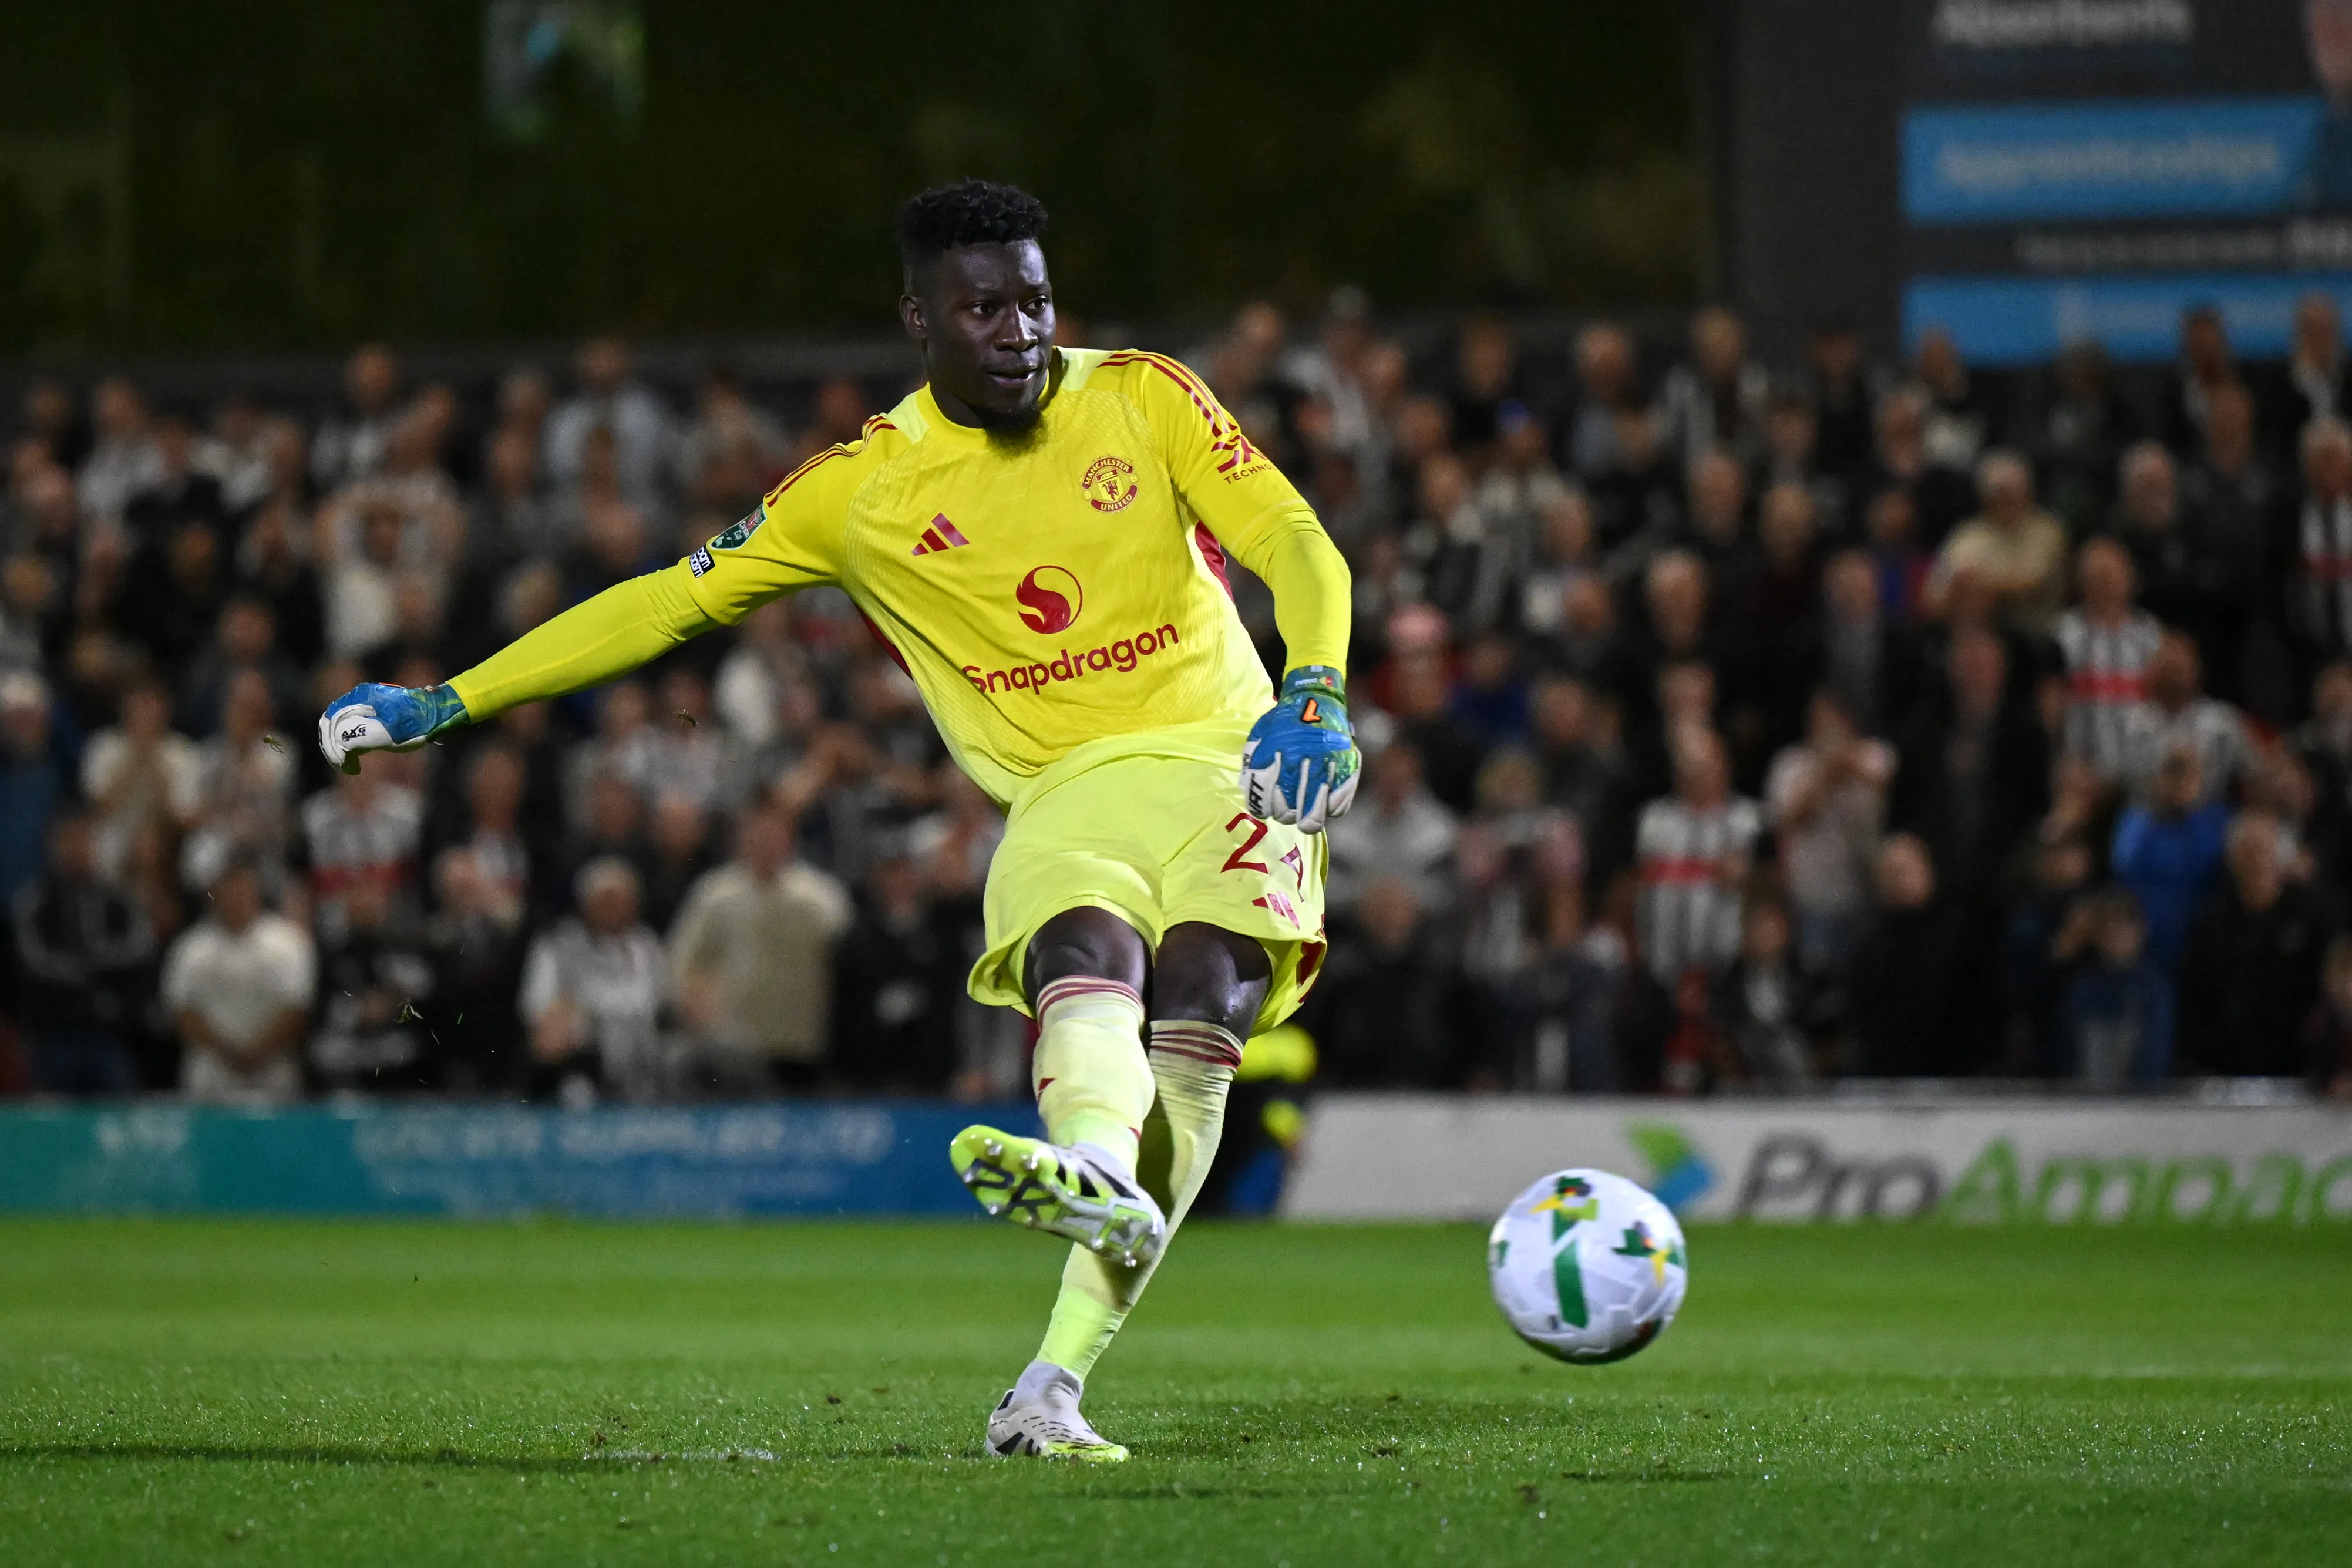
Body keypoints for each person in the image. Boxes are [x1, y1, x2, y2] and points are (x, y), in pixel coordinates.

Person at [314, 180, 1357, 1463]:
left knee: (1203, 998)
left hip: (1229, 763)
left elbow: (1294, 539)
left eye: (1036, 302)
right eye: (984, 310)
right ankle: (1097, 1172)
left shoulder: (1144, 397)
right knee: (1081, 955)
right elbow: (664, 602)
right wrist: (449, 699)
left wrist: (1314, 687)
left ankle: (1052, 1378)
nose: (1023, 332)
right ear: (919, 318)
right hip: (1063, 789)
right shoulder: (861, 489)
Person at [666, 803, 852, 1093]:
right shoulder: (715, 895)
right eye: (756, 837)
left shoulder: (822, 899)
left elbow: (849, 961)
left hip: (803, 1043)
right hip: (734, 1048)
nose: (765, 846)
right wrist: (699, 1009)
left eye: (773, 837)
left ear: (789, 840)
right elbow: (685, 963)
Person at [160, 860, 315, 1105]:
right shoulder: (191, 948)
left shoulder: (288, 942)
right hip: (211, 1070)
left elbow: (298, 1006)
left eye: (243, 890)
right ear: (215, 895)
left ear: (257, 894)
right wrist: (229, 1054)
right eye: (229, 891)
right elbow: (181, 1009)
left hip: (273, 1069)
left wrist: (258, 1053)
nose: (236, 898)